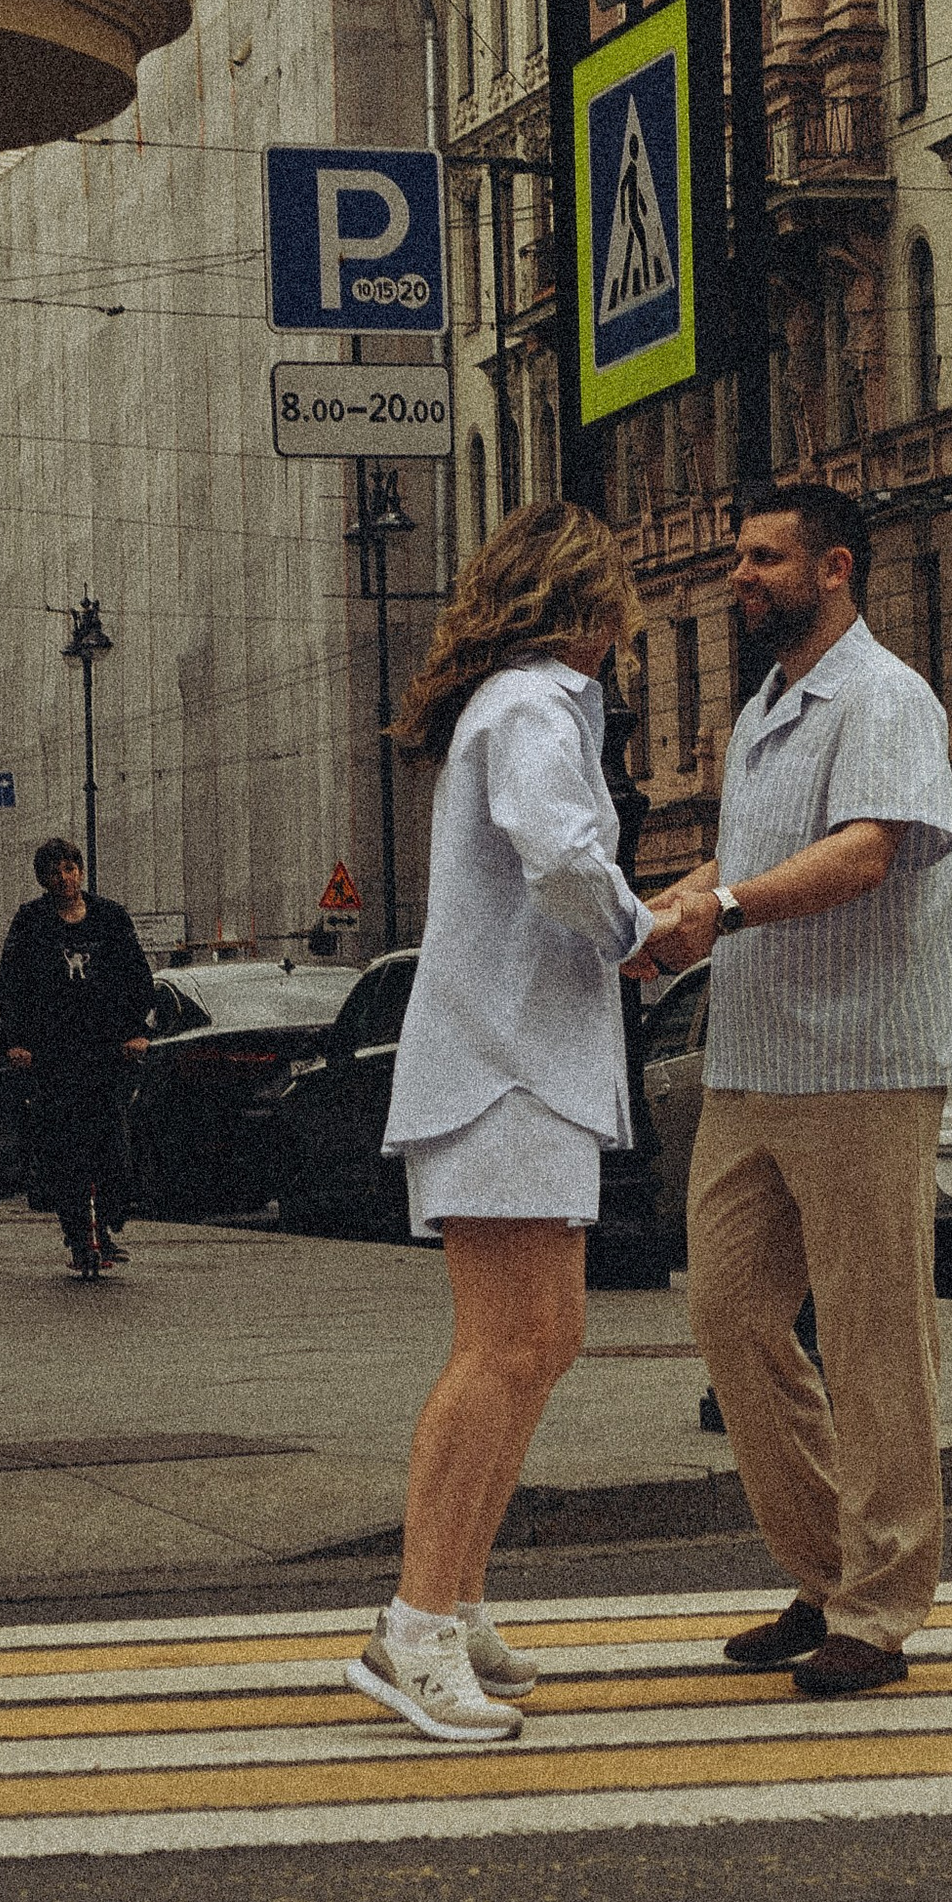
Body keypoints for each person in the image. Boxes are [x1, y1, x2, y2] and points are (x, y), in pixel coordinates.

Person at [644, 481, 952, 1698]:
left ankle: (880, 1610)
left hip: (866, 1060)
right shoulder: (762, 712)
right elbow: (753, 857)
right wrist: (664, 909)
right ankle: (825, 1565)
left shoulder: (886, 697)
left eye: (761, 557)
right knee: (731, 1315)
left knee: (874, 1338)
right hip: (759, 1057)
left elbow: (865, 850)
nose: (739, 576)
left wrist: (720, 909)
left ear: (833, 568)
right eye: (738, 556)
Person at [348, 500, 657, 1746]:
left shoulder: (522, 704)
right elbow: (565, 859)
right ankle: (412, 1630)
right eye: (619, 602)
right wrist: (642, 932)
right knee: (506, 1347)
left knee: (544, 1335)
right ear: (587, 609)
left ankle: (455, 1599)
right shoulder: (532, 707)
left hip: (515, 1063)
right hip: (506, 1066)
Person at [0, 838, 155, 1272]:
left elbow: (138, 979)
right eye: (54, 872)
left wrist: (136, 1032)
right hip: (54, 1056)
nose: (63, 878)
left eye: (70, 868)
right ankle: (80, 1238)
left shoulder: (110, 918)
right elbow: (11, 986)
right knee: (67, 1149)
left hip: (105, 1053)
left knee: (112, 1147)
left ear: (81, 872)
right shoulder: (31, 923)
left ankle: (107, 1222)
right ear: (42, 879)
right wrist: (16, 1042)